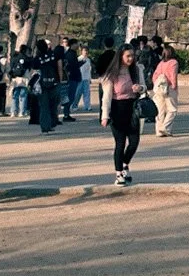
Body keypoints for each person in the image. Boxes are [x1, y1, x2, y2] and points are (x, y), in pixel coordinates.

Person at [101, 43, 146, 184]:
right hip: (117, 108)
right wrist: (105, 115)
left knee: (134, 142)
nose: (131, 59)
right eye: (128, 56)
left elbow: (145, 87)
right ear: (120, 56)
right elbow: (106, 97)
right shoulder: (112, 74)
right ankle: (119, 173)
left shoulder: (137, 70)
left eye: (132, 56)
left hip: (132, 108)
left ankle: (125, 163)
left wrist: (140, 88)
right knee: (120, 143)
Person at [152, 43, 179, 135]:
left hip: (159, 88)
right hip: (169, 87)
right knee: (172, 109)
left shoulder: (161, 63)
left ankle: (158, 129)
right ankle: (165, 127)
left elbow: (155, 75)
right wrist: (174, 85)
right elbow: (173, 75)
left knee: (160, 110)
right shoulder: (174, 62)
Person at [60, 38, 82, 121]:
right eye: (77, 44)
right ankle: (66, 114)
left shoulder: (71, 53)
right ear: (73, 44)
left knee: (70, 96)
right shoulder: (70, 54)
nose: (78, 46)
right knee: (70, 96)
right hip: (72, 77)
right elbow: (72, 66)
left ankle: (67, 114)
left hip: (73, 77)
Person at [73, 45, 93, 111]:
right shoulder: (79, 59)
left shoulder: (88, 60)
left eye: (87, 51)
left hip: (86, 78)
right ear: (81, 51)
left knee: (87, 93)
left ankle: (87, 106)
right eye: (84, 50)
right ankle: (74, 105)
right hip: (80, 78)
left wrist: (89, 79)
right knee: (77, 93)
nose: (86, 52)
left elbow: (89, 70)